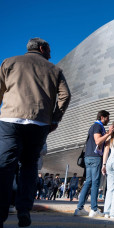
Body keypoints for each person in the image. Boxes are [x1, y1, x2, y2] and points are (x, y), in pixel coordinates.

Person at [0, 37, 71, 227]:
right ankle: (24, 209)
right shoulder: (54, 69)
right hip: (39, 123)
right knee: (30, 165)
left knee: (5, 165)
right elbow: (65, 95)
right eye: (49, 50)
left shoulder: (9, 62)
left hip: (10, 120)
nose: (50, 53)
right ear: (42, 48)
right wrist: (55, 118)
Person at [74, 110, 114, 217]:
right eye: (107, 118)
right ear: (102, 117)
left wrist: (106, 134)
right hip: (94, 157)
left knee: (88, 182)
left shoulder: (95, 126)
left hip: (88, 157)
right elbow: (97, 141)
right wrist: (109, 134)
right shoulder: (97, 126)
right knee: (95, 183)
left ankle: (79, 208)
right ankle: (94, 209)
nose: (108, 120)